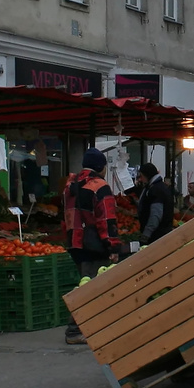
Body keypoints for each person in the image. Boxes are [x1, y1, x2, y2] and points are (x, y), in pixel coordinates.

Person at [63, 148, 118, 345]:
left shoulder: (71, 184)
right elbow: (106, 218)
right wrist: (112, 246)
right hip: (93, 244)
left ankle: (88, 327)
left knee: (85, 282)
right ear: (101, 167)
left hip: (74, 242)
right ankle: (74, 330)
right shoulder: (99, 186)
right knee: (89, 288)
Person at [133, 162, 176, 245]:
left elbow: (156, 215)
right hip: (161, 233)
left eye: (141, 176)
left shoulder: (156, 189)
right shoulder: (157, 187)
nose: (140, 179)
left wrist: (146, 235)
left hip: (157, 236)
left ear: (147, 175)